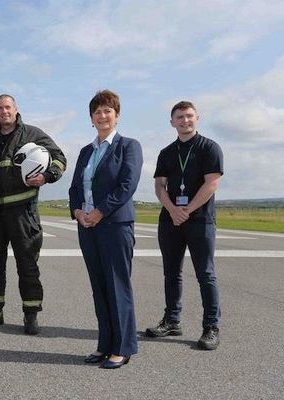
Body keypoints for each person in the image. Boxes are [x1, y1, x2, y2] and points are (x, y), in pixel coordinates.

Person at [0, 94, 66, 335]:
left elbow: (60, 158)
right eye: (0, 108)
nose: (4, 112)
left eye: (8, 107)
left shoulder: (33, 134)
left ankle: (30, 314)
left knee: (27, 265)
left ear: (15, 109)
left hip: (24, 213)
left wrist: (47, 176)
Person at [69, 89, 143, 369]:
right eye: (97, 111)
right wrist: (77, 211)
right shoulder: (86, 151)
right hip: (87, 227)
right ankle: (104, 345)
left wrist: (100, 211)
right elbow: (75, 187)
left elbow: (127, 185)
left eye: (107, 111)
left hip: (114, 225)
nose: (102, 115)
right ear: (91, 118)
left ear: (117, 115)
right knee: (99, 288)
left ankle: (123, 348)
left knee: (117, 286)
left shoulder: (128, 146)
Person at [145, 101, 223, 350]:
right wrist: (172, 209)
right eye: (179, 117)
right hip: (170, 220)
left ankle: (211, 327)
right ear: (172, 122)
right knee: (172, 273)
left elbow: (211, 183)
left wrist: (187, 210)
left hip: (199, 220)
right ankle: (171, 320)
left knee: (205, 274)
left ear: (197, 118)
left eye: (189, 116)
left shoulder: (209, 147)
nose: (184, 121)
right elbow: (159, 185)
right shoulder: (167, 152)